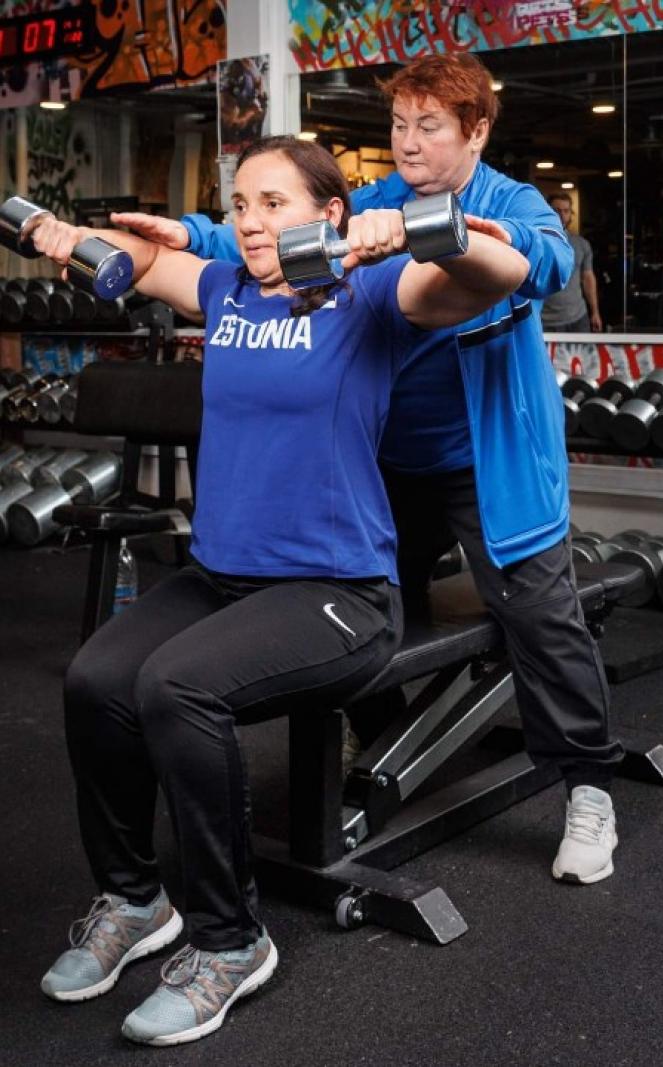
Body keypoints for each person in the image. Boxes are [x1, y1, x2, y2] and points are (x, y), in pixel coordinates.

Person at [35, 135, 528, 1046]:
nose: (253, 222)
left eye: (275, 203)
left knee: (175, 687)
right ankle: (137, 899)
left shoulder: (370, 295)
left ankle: (230, 940)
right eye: (241, 205)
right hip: (224, 576)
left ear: (328, 213)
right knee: (96, 681)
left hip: (337, 591)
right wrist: (70, 235)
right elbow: (145, 263)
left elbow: (499, 272)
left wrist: (412, 230)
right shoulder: (225, 292)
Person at [114, 52, 624, 890]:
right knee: (363, 609)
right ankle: (381, 735)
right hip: (389, 460)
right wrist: (196, 234)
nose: (408, 143)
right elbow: (281, 233)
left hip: (481, 458)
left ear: (478, 130)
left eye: (430, 126)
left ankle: (588, 784)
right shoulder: (380, 197)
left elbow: (547, 259)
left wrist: (459, 235)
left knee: (539, 612)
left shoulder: (508, 200)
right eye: (398, 125)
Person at [541, 192, 603, 332]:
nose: (562, 215)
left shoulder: (581, 244)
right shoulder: (537, 242)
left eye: (566, 211)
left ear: (570, 214)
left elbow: (588, 279)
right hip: (545, 320)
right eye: (556, 210)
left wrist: (595, 312)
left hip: (578, 317)